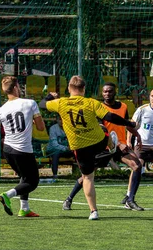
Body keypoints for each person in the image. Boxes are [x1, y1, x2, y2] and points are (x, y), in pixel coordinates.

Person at [40, 75, 139, 220]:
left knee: (88, 177)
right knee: (102, 128)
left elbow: (41, 105)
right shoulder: (91, 102)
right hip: (98, 142)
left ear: (69, 89)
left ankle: (93, 211)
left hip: (79, 146)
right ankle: (111, 144)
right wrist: (129, 123)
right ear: (84, 89)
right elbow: (110, 117)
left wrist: (49, 96)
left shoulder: (60, 103)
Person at [62, 82, 144, 211]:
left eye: (110, 91)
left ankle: (130, 200)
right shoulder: (98, 107)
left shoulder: (123, 106)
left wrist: (137, 135)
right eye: (105, 91)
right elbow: (101, 129)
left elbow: (126, 124)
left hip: (120, 147)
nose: (107, 94)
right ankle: (69, 199)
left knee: (137, 165)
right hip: (103, 146)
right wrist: (117, 143)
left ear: (115, 92)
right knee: (87, 175)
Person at [0, 76, 45, 217]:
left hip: (8, 150)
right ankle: (7, 195)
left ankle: (24, 208)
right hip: (23, 150)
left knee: (24, 176)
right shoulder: (30, 103)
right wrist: (32, 121)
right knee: (33, 182)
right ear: (16, 87)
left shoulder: (1, 109)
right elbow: (41, 128)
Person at [46, 115, 72, 180]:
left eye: (63, 119)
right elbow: (54, 144)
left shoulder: (69, 127)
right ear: (57, 120)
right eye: (60, 119)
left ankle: (83, 173)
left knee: (78, 152)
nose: (61, 121)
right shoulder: (53, 128)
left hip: (66, 150)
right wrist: (66, 148)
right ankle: (55, 175)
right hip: (52, 150)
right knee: (56, 153)